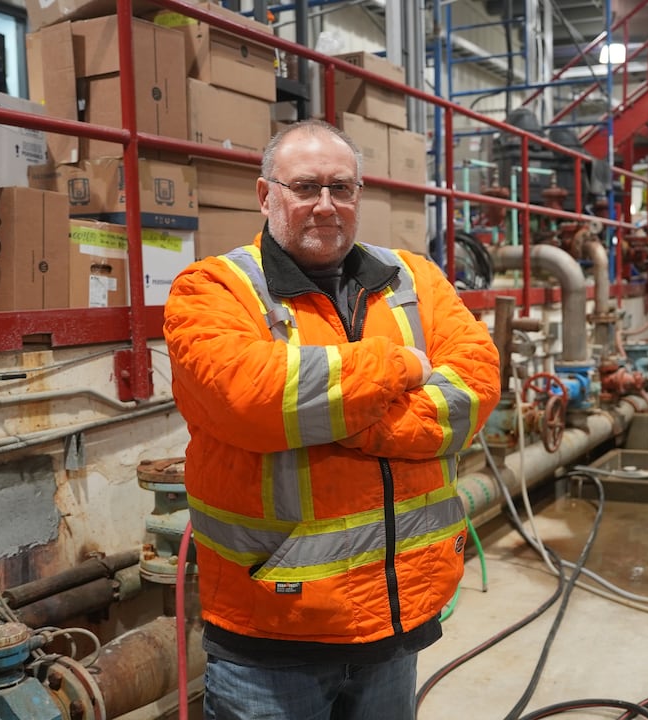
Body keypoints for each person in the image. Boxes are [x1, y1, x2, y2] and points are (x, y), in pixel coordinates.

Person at [163, 119, 501, 720]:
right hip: (272, 633)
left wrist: (343, 415)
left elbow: (474, 387)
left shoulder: (414, 279)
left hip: (398, 622)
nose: (326, 204)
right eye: (305, 187)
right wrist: (398, 366)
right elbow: (251, 397)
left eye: (341, 188)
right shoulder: (212, 289)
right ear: (266, 195)